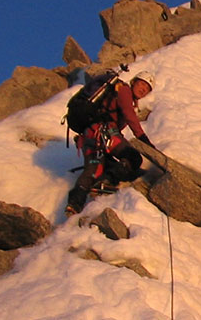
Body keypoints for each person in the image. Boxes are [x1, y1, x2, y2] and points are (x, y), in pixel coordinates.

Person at [66, 71, 155, 214]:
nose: (143, 89)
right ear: (133, 82)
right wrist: (144, 139)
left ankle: (74, 204)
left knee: (94, 169)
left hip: (89, 135)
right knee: (132, 157)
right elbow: (130, 116)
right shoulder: (124, 90)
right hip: (105, 132)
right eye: (142, 84)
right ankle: (106, 182)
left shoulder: (114, 93)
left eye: (147, 89)